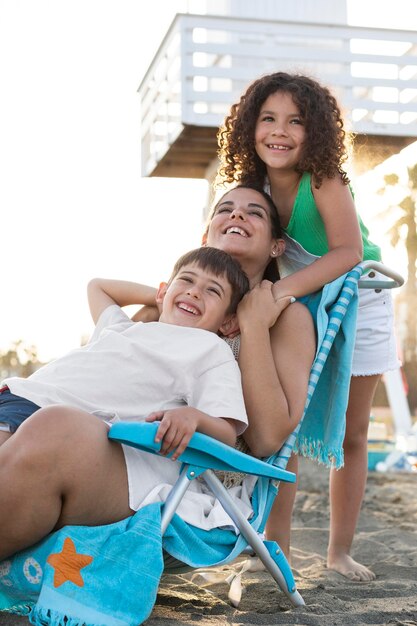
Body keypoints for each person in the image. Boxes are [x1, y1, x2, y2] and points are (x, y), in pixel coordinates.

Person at [216, 71, 400, 581]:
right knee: (286, 427)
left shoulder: (324, 179)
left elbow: (349, 251)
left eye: (295, 121)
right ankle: (276, 544)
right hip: (297, 312)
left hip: (359, 302)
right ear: (249, 128)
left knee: (355, 434)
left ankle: (339, 550)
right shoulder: (249, 190)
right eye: (268, 119)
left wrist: (280, 292)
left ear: (314, 132)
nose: (280, 131)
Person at [0, 246, 263, 561]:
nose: (194, 292)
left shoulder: (210, 350)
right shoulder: (123, 328)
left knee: (43, 439)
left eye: (212, 291)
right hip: (17, 397)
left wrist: (194, 416)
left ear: (228, 322)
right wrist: (164, 295)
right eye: (187, 281)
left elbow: (227, 433)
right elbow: (97, 285)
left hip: (63, 428)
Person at [132, 185, 316, 558]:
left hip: (199, 476)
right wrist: (163, 296)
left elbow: (268, 439)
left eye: (254, 213)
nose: (236, 215)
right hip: (132, 442)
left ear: (276, 246)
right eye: (225, 209)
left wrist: (253, 326)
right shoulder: (178, 306)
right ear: (206, 234)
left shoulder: (288, 319)